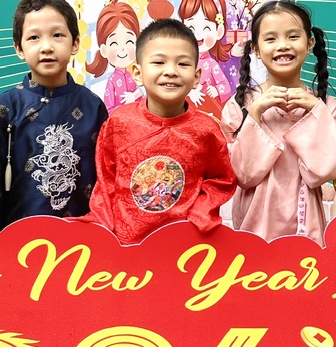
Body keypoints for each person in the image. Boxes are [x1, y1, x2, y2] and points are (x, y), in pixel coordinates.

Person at [80, 19, 235, 245]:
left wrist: (200, 217)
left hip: (184, 245)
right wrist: (103, 232)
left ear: (196, 77)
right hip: (126, 245)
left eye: (183, 64)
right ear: (137, 72)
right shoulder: (119, 123)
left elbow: (222, 180)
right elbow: (106, 182)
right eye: (159, 62)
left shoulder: (206, 130)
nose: (170, 71)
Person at [0, 0, 108, 243]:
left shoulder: (93, 107)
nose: (46, 46)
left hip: (82, 240)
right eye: (34, 37)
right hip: (18, 239)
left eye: (57, 35)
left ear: (75, 43)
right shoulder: (5, 107)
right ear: (19, 48)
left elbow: (104, 182)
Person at [220, 0, 336, 243]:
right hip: (254, 231)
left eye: (293, 36)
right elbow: (242, 176)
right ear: (256, 49)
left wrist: (315, 111)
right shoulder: (239, 106)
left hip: (307, 230)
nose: (283, 45)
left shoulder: (326, 107)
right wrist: (255, 113)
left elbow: (324, 172)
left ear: (309, 44)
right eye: (271, 38)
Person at [178, 0, 233, 111]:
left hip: (208, 110)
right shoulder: (180, 63)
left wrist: (215, 89)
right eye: (191, 28)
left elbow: (225, 86)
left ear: (219, 31)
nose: (198, 34)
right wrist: (190, 93)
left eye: (206, 28)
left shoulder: (211, 64)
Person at [85, 2, 143, 112]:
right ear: (104, 50)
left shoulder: (135, 74)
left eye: (129, 41)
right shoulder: (112, 81)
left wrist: (135, 96)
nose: (123, 49)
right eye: (114, 43)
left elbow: (146, 94)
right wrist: (124, 109)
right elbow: (109, 110)